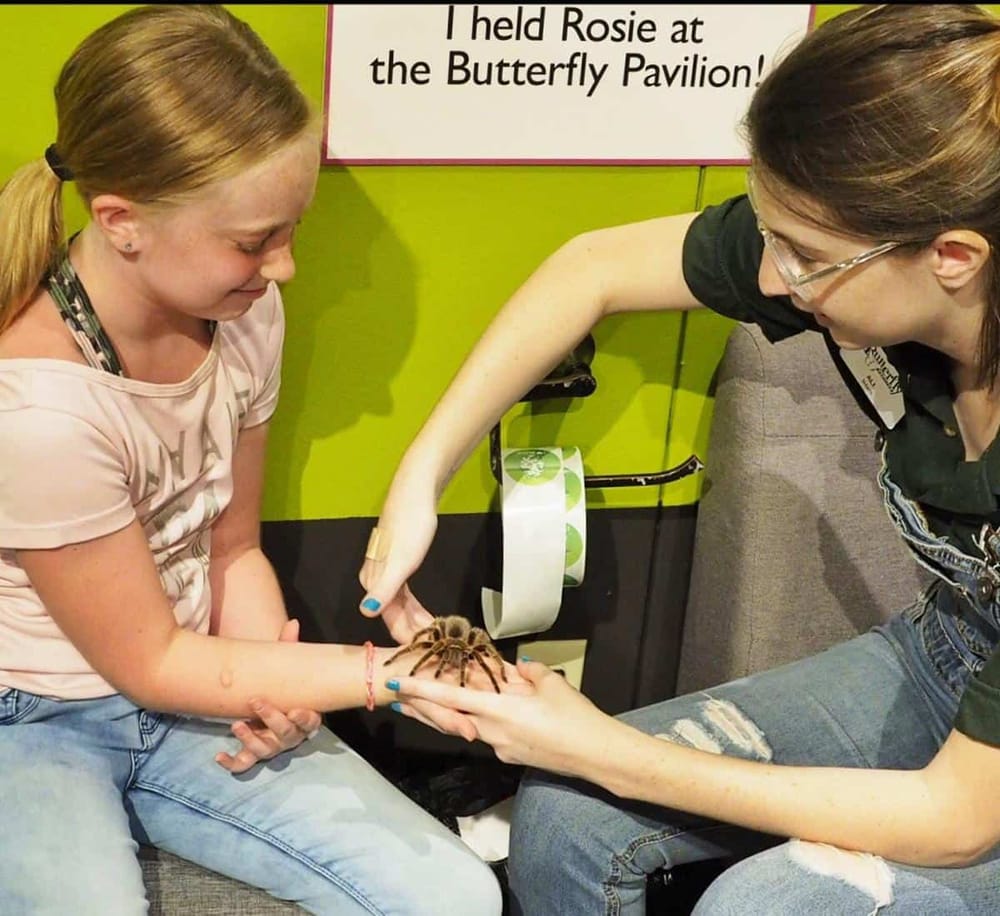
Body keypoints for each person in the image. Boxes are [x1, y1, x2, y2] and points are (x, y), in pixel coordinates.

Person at [358, 4, 1000, 913]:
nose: (770, 280)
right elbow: (591, 267)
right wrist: (418, 478)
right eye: (771, 236)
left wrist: (599, 747)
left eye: (806, 258)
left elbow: (958, 817)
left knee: (768, 903)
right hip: (956, 654)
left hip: (980, 785)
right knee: (567, 819)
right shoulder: (877, 250)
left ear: (953, 256)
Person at [0, 5, 504, 914]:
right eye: (254, 240)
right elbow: (148, 660)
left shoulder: (241, 313)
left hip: (190, 685)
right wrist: (386, 675)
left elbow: (231, 547)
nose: (286, 268)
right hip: (35, 720)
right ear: (122, 222)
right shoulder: (36, 411)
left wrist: (272, 678)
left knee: (453, 897)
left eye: (291, 229)